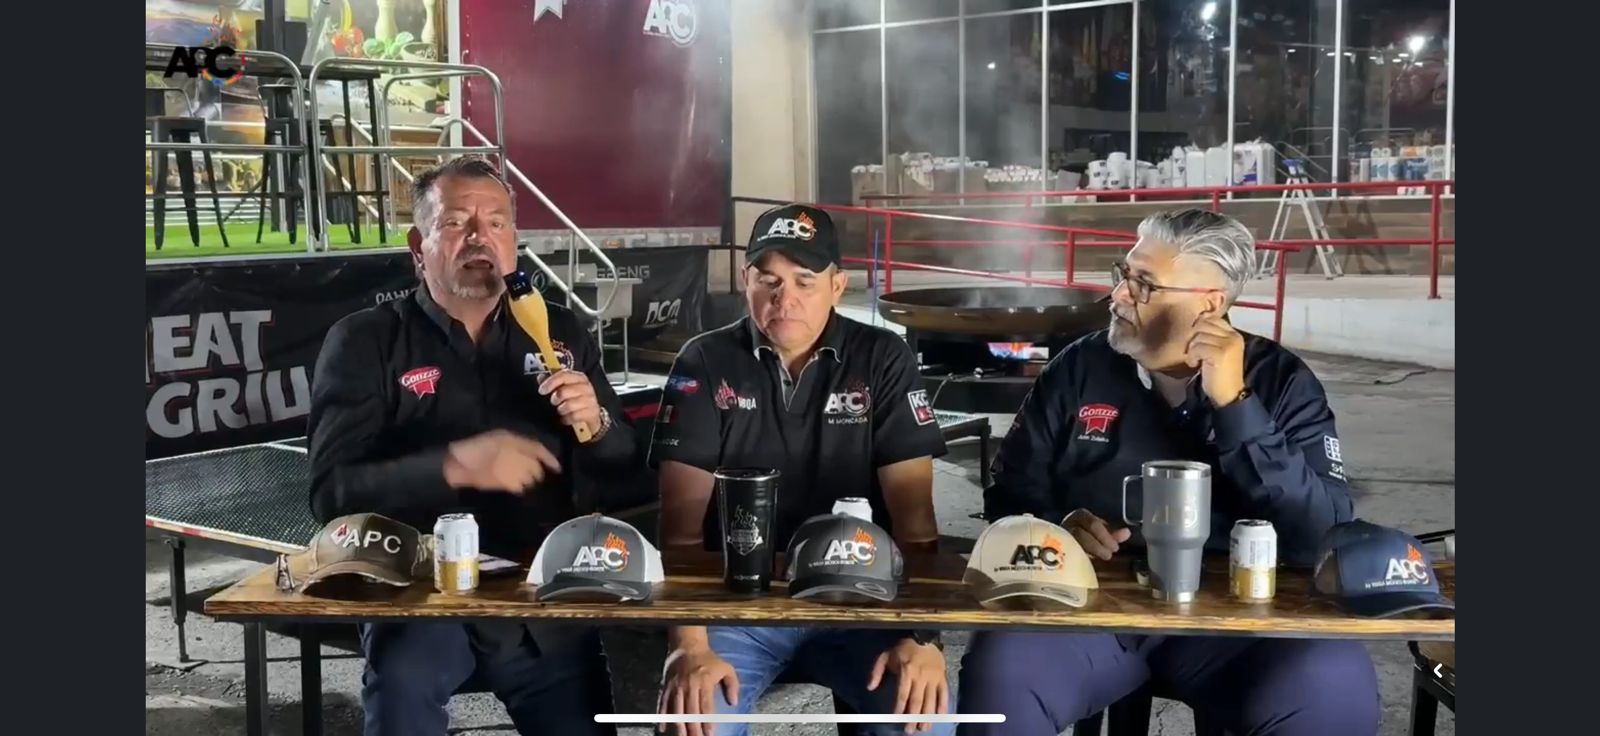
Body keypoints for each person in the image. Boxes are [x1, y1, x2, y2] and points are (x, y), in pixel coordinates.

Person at [957, 209, 1376, 736]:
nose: (1118, 295)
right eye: (1123, 274)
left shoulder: (1281, 381)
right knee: (1002, 670)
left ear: (1210, 303)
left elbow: (1323, 533)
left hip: (1241, 619)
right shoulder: (1079, 368)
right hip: (1090, 610)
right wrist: (1058, 526)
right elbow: (1009, 492)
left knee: (1332, 686)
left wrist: (1236, 407)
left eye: (1144, 284)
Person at [307, 157, 637, 736]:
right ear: (419, 246)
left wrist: (600, 424)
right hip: (417, 595)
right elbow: (331, 495)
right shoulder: (364, 342)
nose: (481, 237)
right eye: (457, 222)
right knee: (401, 689)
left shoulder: (559, 332)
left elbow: (625, 467)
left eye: (497, 223)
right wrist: (454, 465)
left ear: (514, 242)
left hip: (539, 592)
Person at [649, 204, 955, 736]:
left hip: (864, 603)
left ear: (837, 285)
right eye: (768, 280)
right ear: (745, 281)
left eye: (804, 281)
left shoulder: (883, 357)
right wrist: (688, 644)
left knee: (927, 722)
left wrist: (921, 637)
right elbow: (679, 531)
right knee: (694, 724)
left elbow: (916, 524)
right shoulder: (705, 361)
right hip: (738, 606)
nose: (783, 298)